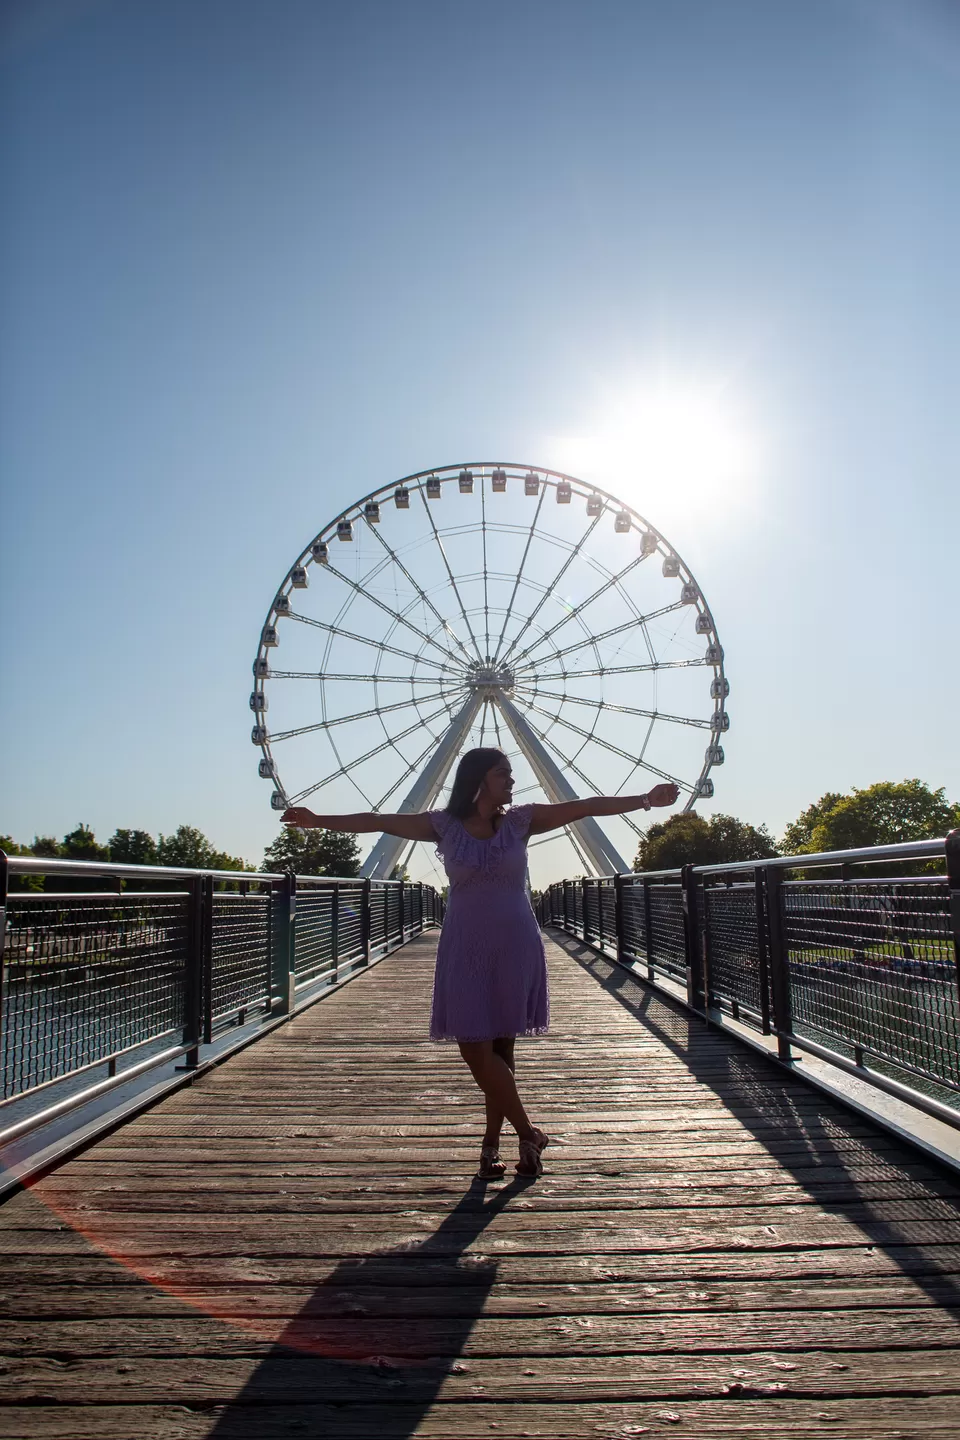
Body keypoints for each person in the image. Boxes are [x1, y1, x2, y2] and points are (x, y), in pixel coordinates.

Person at [282, 749, 678, 1180]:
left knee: (501, 1050)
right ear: (478, 779)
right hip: (465, 945)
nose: (511, 780)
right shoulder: (442, 825)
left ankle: (492, 1148)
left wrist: (645, 799)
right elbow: (377, 821)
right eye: (502, 773)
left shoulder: (522, 821)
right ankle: (529, 1133)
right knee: (474, 1046)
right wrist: (318, 820)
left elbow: (584, 807)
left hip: (515, 943)